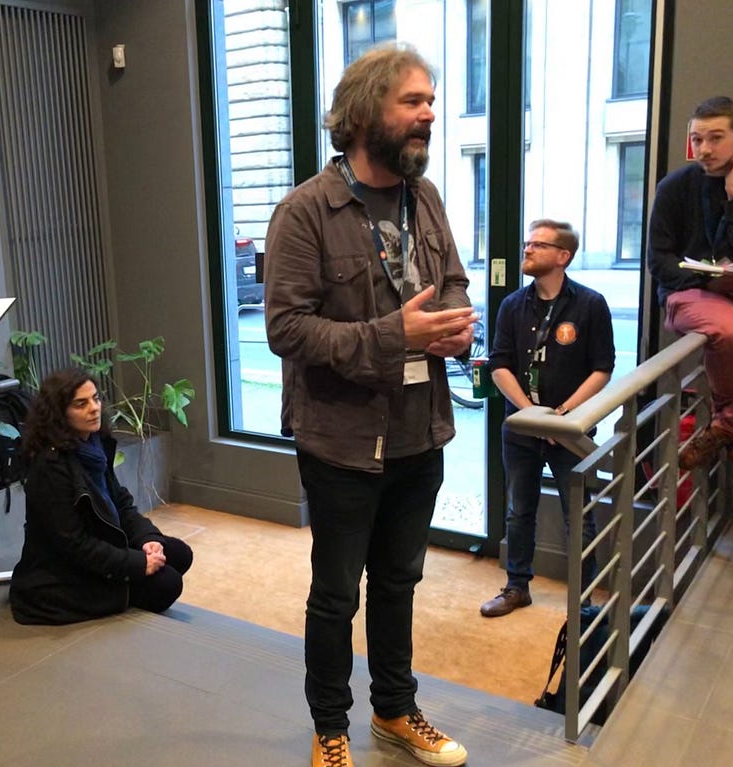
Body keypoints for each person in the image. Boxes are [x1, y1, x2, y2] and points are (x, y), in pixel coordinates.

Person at [264, 45, 476, 767]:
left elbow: (450, 281)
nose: (430, 113)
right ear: (362, 115)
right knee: (336, 595)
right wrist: (395, 335)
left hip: (422, 431)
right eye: (412, 102)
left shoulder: (428, 198)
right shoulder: (304, 212)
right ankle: (331, 728)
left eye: (430, 101)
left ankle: (394, 709)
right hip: (343, 440)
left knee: (398, 581)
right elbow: (285, 330)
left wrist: (455, 322)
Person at [480, 220, 615, 618]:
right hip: (522, 429)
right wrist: (531, 414)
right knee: (519, 511)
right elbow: (499, 364)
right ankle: (516, 587)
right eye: (527, 242)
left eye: (538, 244)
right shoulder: (511, 306)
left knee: (581, 516)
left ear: (563, 256)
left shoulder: (590, 305)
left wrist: (563, 416)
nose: (528, 249)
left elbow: (602, 369)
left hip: (570, 432)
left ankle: (583, 601)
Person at [9, 368, 193, 625]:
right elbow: (74, 545)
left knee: (179, 553)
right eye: (81, 404)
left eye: (96, 399)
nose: (94, 408)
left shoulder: (93, 446)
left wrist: (147, 539)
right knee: (167, 585)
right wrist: (135, 564)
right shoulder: (49, 468)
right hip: (62, 574)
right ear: (59, 413)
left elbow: (121, 501)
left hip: (101, 541)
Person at [648, 96, 733, 470]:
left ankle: (726, 427)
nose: (704, 149)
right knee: (732, 331)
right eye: (697, 139)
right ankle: (730, 421)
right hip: (686, 292)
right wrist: (705, 277)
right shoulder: (674, 187)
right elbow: (659, 260)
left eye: (716, 138)